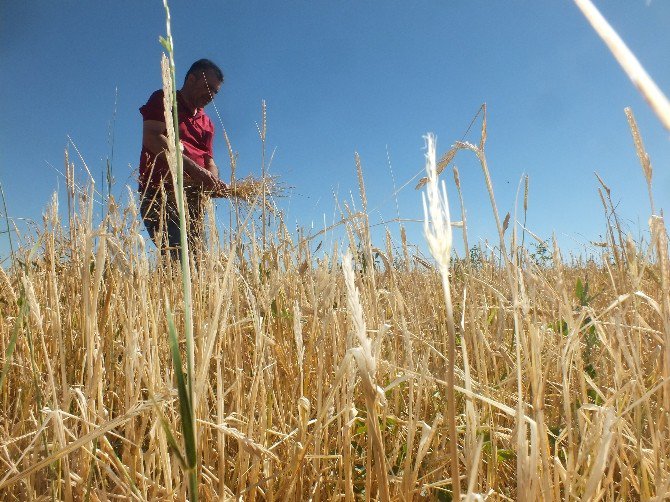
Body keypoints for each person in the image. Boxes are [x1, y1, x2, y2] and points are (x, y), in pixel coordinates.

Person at [138, 58, 228, 259]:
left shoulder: (207, 123)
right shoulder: (165, 99)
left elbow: (209, 161)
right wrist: (193, 170)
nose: (211, 95)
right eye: (208, 88)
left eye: (215, 92)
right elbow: (152, 136)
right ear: (191, 79)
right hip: (161, 194)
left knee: (196, 261)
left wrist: (211, 180)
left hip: (193, 198)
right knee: (179, 258)